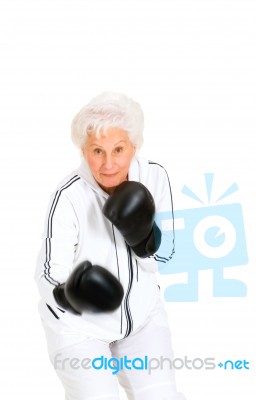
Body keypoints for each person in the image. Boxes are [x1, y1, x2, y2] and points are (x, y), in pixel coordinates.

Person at [35, 91, 187, 400]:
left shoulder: (154, 176)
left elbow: (169, 253)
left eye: (118, 149)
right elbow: (49, 272)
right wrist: (68, 294)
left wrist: (145, 239)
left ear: (134, 146)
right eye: (97, 151)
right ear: (83, 150)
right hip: (80, 327)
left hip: (142, 318)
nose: (108, 164)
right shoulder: (69, 195)